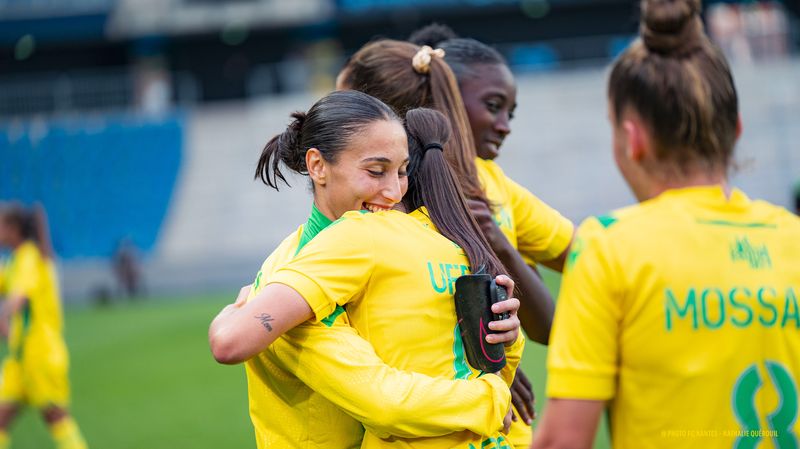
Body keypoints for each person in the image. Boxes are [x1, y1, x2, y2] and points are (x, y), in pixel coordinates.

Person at [531, 0, 800, 448]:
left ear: (632, 139)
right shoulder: (793, 237)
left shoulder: (608, 246)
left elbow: (564, 441)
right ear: (735, 129)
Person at [210, 90, 523, 448]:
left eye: (403, 172)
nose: (393, 192)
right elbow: (384, 403)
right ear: (317, 166)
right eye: (376, 171)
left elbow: (461, 370)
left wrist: (502, 340)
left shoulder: (398, 243)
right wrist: (491, 399)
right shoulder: (293, 275)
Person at [339, 36, 571, 443]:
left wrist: (494, 368)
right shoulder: (376, 212)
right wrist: (484, 373)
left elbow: (581, 260)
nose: (505, 126)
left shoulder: (491, 185)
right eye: (494, 107)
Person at [0, 204, 88, 449]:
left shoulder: (30, 258)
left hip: (41, 355)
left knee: (56, 417)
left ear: (13, 229)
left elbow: (18, 298)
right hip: (20, 360)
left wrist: (3, 316)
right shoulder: (15, 260)